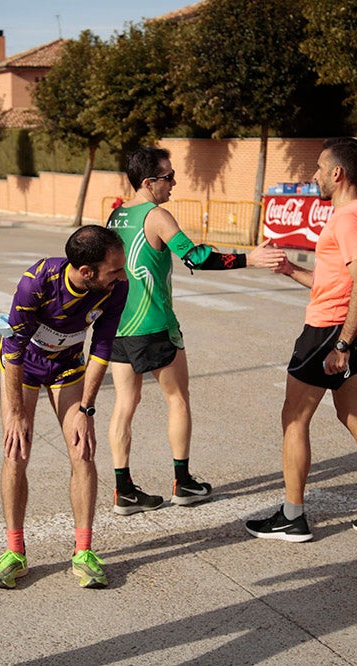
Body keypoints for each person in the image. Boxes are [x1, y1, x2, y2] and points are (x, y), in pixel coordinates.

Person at [245, 137, 357, 543]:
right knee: (353, 415)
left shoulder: (348, 219)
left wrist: (341, 345)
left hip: (329, 333)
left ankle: (292, 516)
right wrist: (289, 269)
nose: (314, 176)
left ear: (337, 173)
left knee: (294, 418)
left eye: (320, 169)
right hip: (349, 327)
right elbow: (332, 283)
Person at [105, 146, 284, 515]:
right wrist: (251, 258)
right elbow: (196, 258)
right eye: (168, 177)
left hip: (119, 325)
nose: (174, 183)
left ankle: (123, 490)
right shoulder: (156, 216)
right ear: (149, 182)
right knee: (177, 399)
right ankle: (183, 482)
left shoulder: (116, 216)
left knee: (124, 405)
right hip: (154, 325)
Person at [0, 225, 128, 590]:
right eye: (113, 270)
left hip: (67, 365)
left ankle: (84, 552)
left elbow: (102, 347)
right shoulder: (37, 282)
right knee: (16, 452)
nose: (121, 275)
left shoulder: (116, 287)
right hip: (24, 365)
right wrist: (16, 412)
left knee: (83, 451)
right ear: (87, 272)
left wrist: (86, 409)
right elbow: (14, 348)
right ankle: (15, 553)